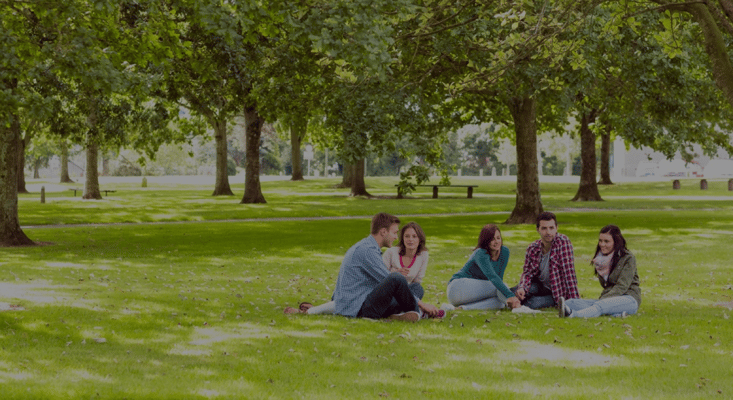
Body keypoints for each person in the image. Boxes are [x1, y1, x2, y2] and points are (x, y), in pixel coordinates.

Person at [286, 221, 431, 315]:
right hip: (365, 299)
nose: (396, 236)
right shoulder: (372, 251)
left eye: (414, 236)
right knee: (397, 279)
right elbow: (385, 280)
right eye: (396, 233)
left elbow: (406, 281)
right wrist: (422, 303)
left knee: (417, 289)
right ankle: (417, 312)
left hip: (377, 295)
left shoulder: (368, 248)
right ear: (383, 232)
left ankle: (405, 313)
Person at [559, 225, 641, 318]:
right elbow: (606, 286)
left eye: (606, 241)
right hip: (608, 298)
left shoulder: (628, 258)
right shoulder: (601, 259)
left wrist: (602, 300)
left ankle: (573, 315)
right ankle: (616, 314)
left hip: (628, 298)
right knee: (569, 303)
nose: (602, 244)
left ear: (616, 242)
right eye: (600, 241)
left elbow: (622, 286)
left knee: (599, 306)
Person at [512, 212, 579, 309]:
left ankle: (518, 302)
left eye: (551, 228)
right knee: (514, 292)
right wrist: (522, 288)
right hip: (539, 286)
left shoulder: (563, 242)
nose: (548, 232)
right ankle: (516, 300)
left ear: (556, 228)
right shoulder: (532, 248)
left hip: (556, 291)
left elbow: (569, 273)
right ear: (537, 229)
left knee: (532, 303)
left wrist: (575, 302)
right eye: (544, 228)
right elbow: (527, 273)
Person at [445, 224, 521, 310]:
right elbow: (493, 277)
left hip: (474, 293)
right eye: (492, 239)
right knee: (501, 288)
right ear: (486, 241)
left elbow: (499, 278)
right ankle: (519, 308)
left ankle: (462, 308)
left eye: (498, 238)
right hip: (457, 288)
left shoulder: (504, 252)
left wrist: (507, 297)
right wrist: (510, 296)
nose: (496, 241)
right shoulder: (481, 253)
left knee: (500, 303)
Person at [382, 222, 429, 301]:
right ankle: (412, 310)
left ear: (420, 239)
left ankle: (401, 310)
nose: (410, 239)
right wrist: (395, 275)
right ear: (403, 239)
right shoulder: (391, 252)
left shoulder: (423, 255)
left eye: (414, 236)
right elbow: (378, 276)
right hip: (388, 292)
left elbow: (416, 282)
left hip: (406, 293)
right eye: (407, 236)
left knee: (418, 289)